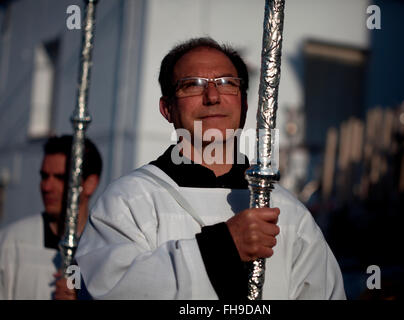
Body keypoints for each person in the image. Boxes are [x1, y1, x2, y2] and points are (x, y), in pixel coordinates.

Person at [76, 37, 346, 299]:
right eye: (192, 84)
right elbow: (108, 289)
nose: (213, 96)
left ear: (244, 104)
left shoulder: (286, 211)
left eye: (227, 83)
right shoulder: (128, 201)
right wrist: (223, 249)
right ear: (167, 108)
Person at [0, 135, 102, 300]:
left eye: (60, 178)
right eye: (44, 176)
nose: (47, 187)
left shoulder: (106, 247)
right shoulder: (11, 242)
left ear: (90, 183)